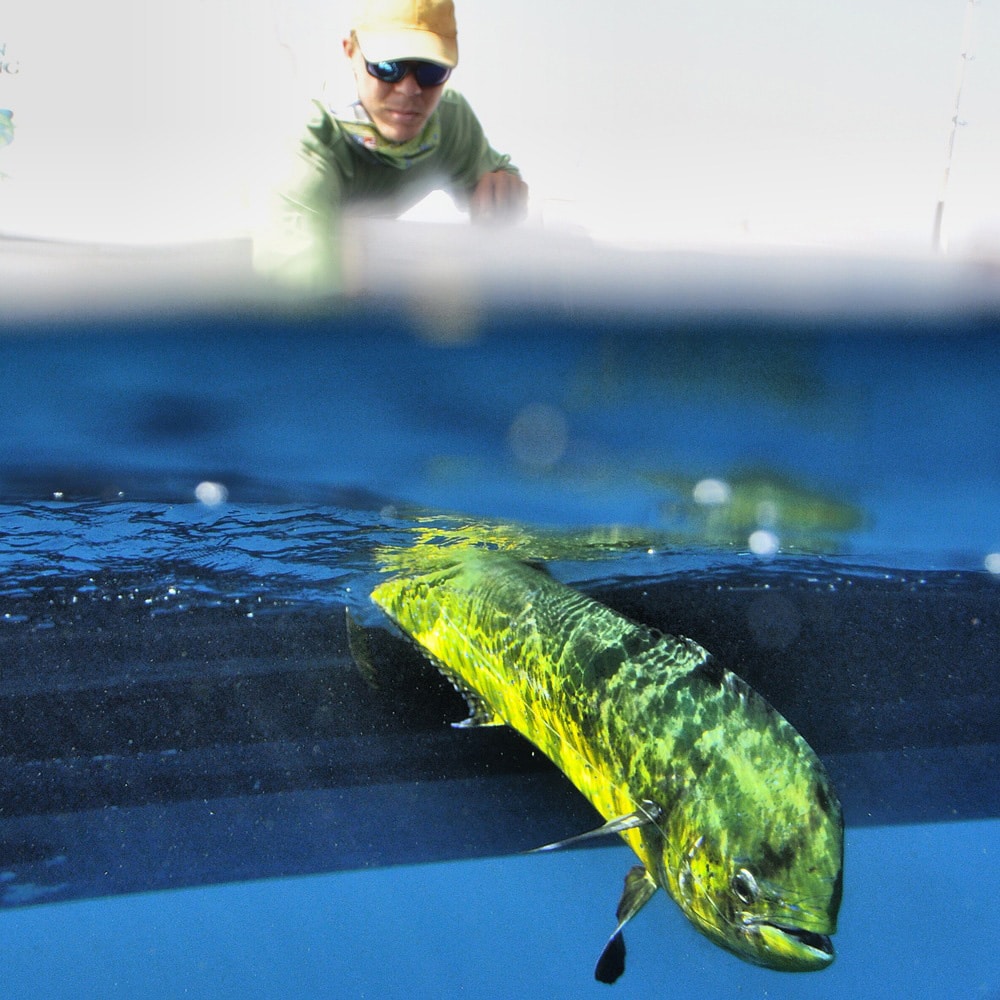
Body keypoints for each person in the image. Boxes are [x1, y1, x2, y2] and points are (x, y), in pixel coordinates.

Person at [253, 0, 528, 291]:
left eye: (431, 71)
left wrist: (504, 191)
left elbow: (495, 171)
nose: (410, 89)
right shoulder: (306, 147)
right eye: (387, 67)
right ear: (350, 51)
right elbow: (298, 291)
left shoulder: (450, 119)